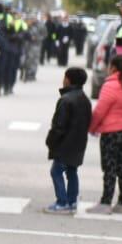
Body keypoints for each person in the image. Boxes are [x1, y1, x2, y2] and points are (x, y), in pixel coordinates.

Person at [89, 52, 122, 211]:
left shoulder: (111, 85)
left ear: (114, 68)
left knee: (109, 167)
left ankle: (105, 202)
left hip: (111, 132)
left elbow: (100, 110)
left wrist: (92, 127)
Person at [43, 68, 91, 215]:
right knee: (72, 171)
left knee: (56, 171)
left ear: (68, 80)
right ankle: (72, 201)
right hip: (78, 143)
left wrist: (51, 141)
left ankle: (62, 202)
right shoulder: (84, 98)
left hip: (65, 144)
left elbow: (59, 126)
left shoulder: (66, 100)